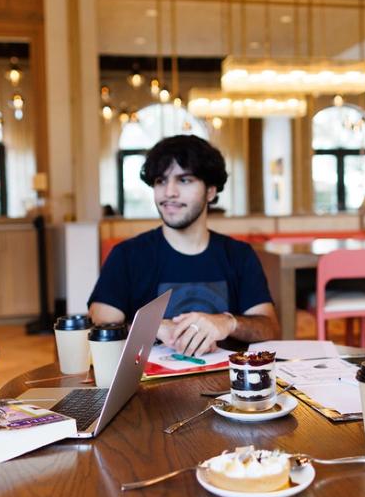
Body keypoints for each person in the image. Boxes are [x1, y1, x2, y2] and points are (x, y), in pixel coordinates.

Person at [89, 135, 279, 356]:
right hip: (148, 386)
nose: (169, 192)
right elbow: (99, 325)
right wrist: (153, 328)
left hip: (227, 386)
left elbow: (270, 328)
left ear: (210, 191)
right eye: (161, 181)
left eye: (184, 180)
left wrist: (227, 323)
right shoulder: (127, 255)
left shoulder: (239, 255)